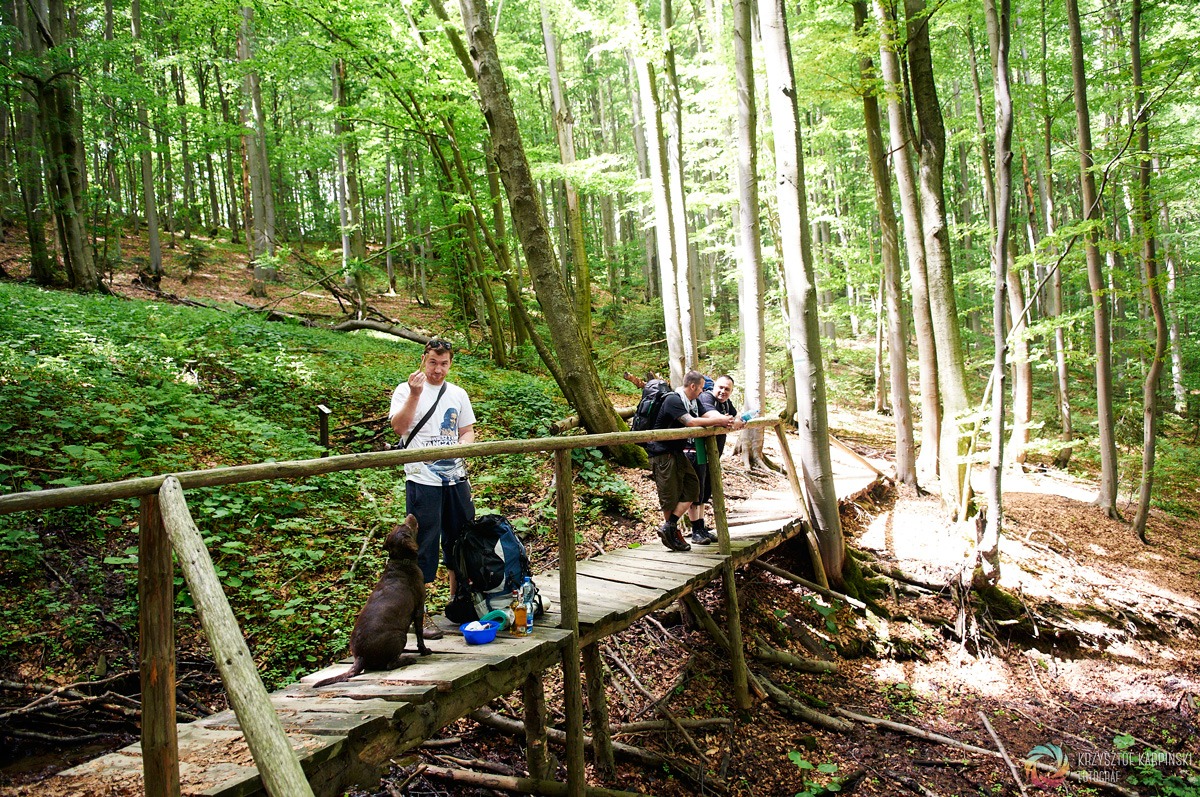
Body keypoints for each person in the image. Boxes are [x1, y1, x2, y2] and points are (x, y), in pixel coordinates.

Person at [389, 339, 476, 639]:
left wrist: (463, 448)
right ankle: (420, 614)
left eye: (444, 364)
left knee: (461, 539)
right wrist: (414, 394)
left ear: (450, 363)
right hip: (421, 478)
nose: (438, 370)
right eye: (433, 363)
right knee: (423, 544)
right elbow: (399, 428)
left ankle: (460, 602)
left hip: (456, 478)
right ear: (423, 360)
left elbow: (467, 431)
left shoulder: (458, 394)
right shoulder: (405, 389)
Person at [645, 370, 734, 552]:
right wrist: (719, 421)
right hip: (662, 454)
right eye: (701, 388)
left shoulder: (691, 403)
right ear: (693, 386)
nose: (702, 392)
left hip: (676, 453)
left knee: (694, 488)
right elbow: (690, 422)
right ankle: (672, 535)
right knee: (669, 497)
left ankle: (669, 526)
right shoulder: (674, 400)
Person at [685, 374, 745, 544]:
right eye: (721, 387)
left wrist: (736, 420)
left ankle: (701, 526)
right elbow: (716, 418)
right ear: (714, 387)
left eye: (727, 389)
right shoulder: (705, 397)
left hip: (713, 454)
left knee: (706, 491)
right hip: (698, 451)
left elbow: (735, 417)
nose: (723, 391)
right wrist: (731, 421)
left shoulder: (726, 403)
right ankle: (695, 529)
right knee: (697, 491)